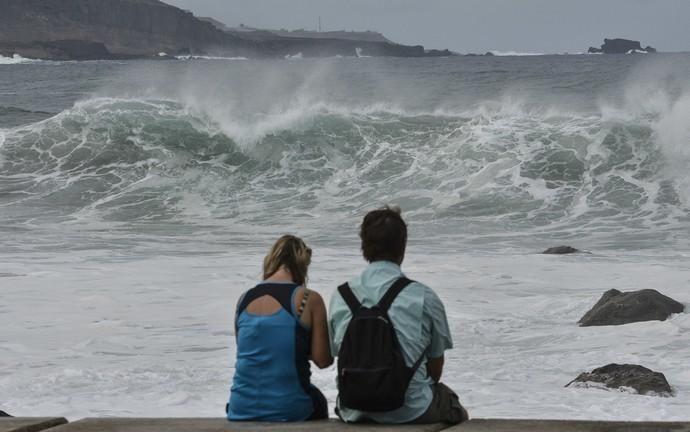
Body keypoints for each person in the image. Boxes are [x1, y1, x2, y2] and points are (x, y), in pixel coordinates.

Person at [329, 206, 469, 424]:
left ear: (363, 247)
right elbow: (435, 370)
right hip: (411, 409)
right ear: (402, 246)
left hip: (353, 408)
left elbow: (337, 354)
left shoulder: (341, 295)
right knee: (452, 405)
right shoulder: (424, 297)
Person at [227, 235, 332, 421]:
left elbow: (249, 350)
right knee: (318, 401)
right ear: (302, 264)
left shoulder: (243, 299)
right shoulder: (308, 299)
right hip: (289, 408)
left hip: (240, 407)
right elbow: (322, 361)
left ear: (271, 260)